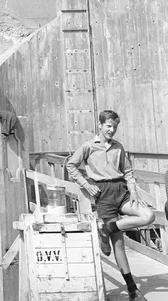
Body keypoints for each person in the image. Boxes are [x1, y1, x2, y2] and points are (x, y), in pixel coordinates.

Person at [66, 110, 155, 301]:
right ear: (100, 125)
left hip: (122, 192)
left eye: (114, 127)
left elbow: (128, 171)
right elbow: (71, 165)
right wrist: (86, 184)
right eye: (108, 126)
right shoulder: (88, 146)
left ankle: (106, 229)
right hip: (103, 195)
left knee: (148, 216)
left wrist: (133, 190)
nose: (111, 130)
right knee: (119, 245)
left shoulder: (118, 147)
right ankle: (132, 290)